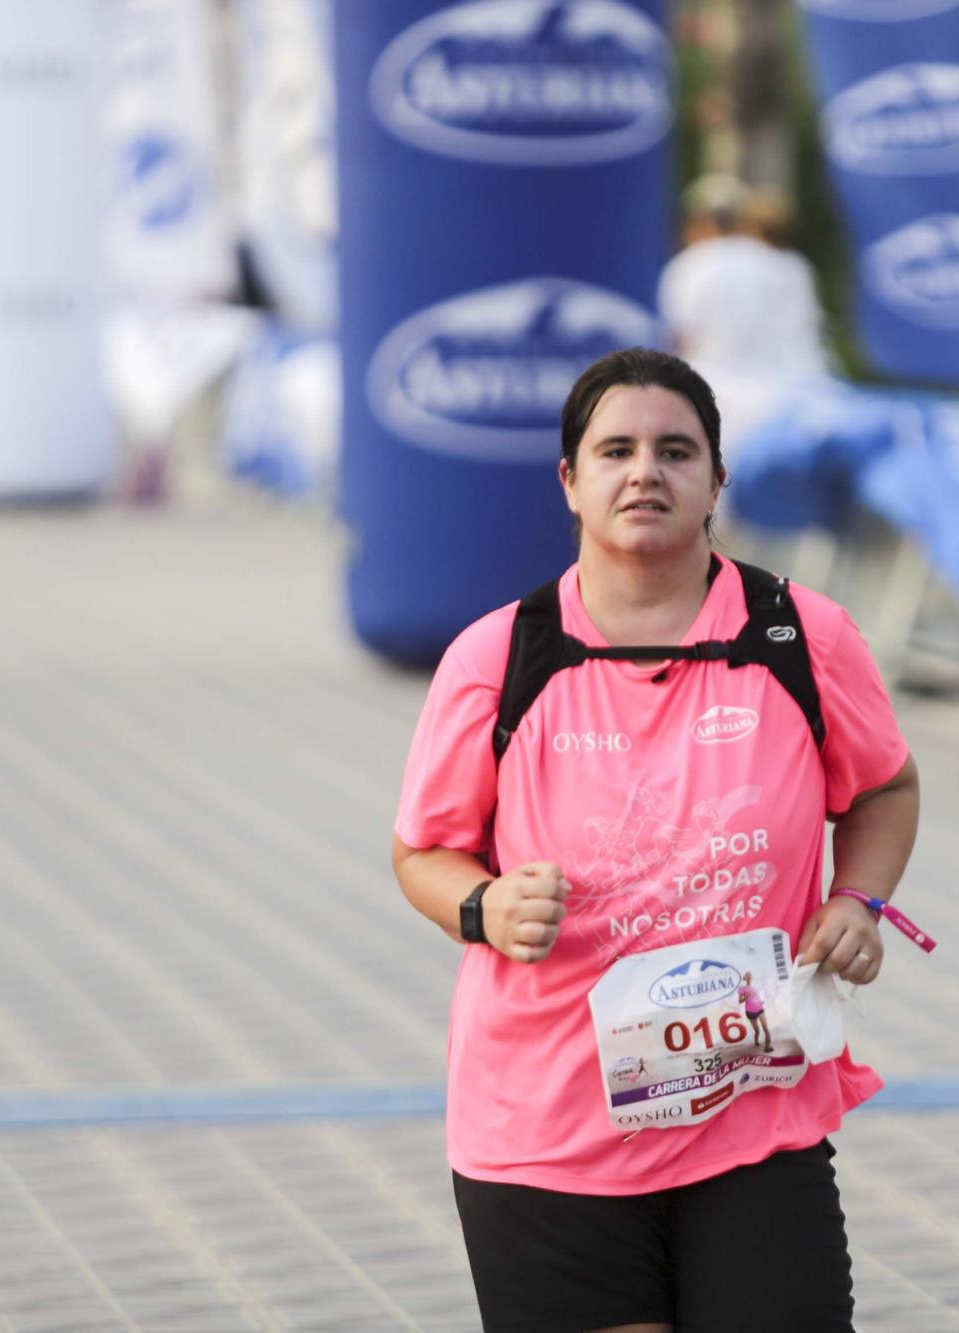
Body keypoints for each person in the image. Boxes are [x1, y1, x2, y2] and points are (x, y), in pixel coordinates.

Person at [392, 347, 921, 1333]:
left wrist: (859, 899)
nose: (645, 472)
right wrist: (483, 905)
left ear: (717, 480)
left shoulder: (799, 636)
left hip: (748, 1112)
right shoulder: (498, 656)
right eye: (616, 450)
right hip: (548, 1122)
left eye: (676, 451)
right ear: (570, 481)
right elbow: (420, 851)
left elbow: (885, 785)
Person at [656, 175, 832, 461]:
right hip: (807, 410)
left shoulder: (690, 266)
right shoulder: (792, 265)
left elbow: (680, 343)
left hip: (723, 413)